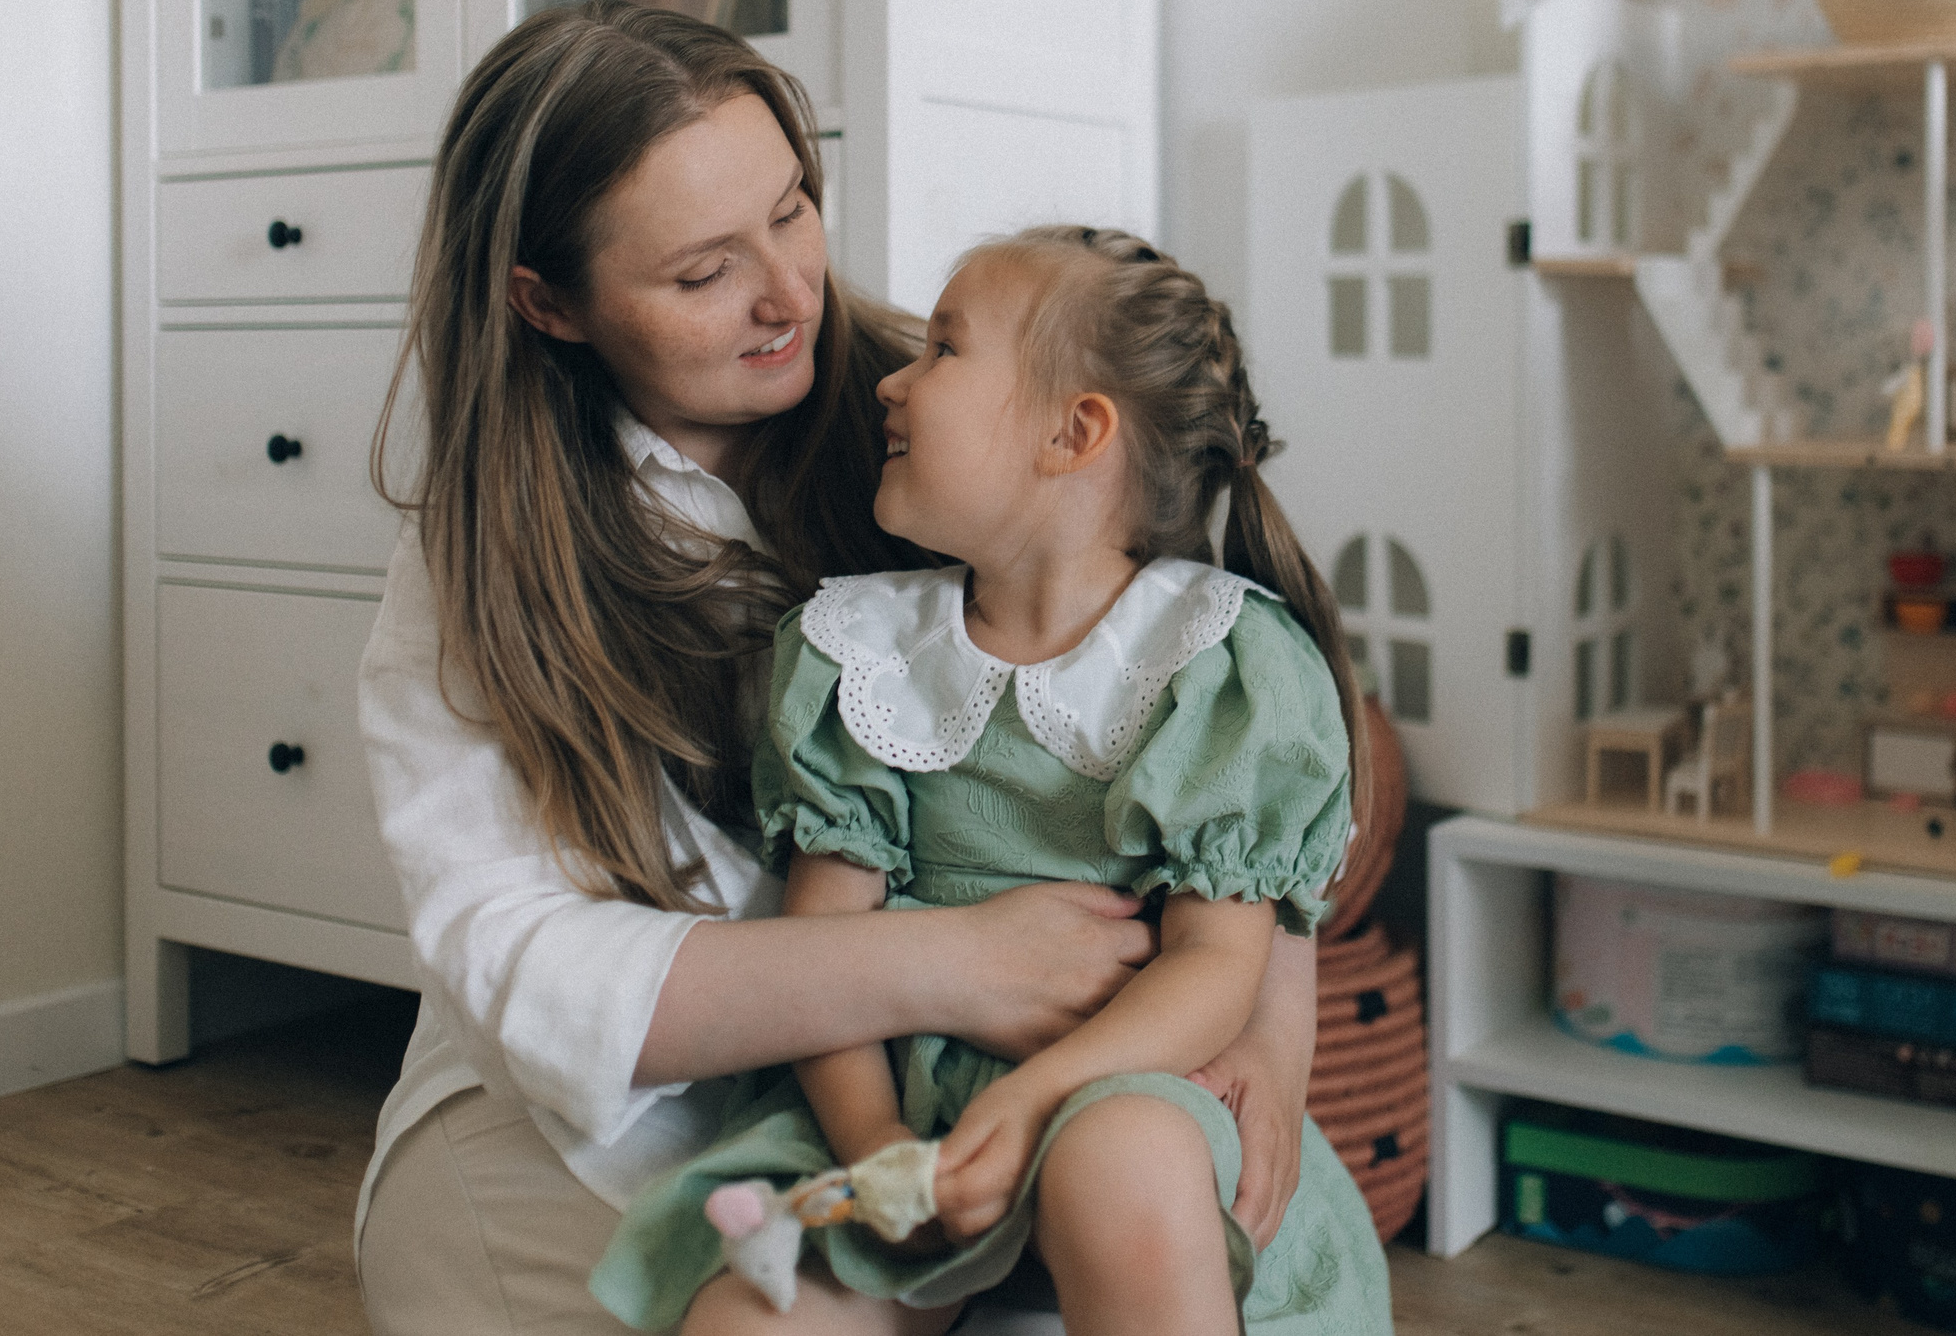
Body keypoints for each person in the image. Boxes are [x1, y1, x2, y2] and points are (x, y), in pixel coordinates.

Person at [354, 3, 1322, 1336]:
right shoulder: (488, 563)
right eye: (702, 274)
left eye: (794, 208)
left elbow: (1226, 738)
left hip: (1052, 1047)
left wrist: (1268, 1032)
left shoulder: (957, 426)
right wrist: (945, 967)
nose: (788, 293)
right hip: (685, 1092)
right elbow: (532, 962)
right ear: (550, 301)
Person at [591, 226, 1393, 1335]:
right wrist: (879, 1152)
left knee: (1118, 1163)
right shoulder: (860, 654)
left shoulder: (1218, 662)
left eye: (945, 350)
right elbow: (827, 956)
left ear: (1074, 432)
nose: (894, 381)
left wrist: (1032, 1102)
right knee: (744, 1320)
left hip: (1127, 1086)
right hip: (904, 1105)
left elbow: (1216, 967)